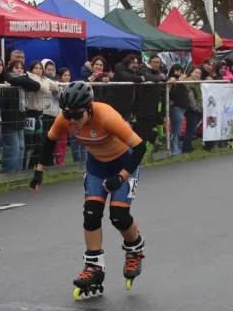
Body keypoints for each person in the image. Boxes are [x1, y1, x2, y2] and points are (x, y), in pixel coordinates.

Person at [29, 81, 147, 298]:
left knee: (119, 216)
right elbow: (49, 141)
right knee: (91, 214)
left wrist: (121, 176)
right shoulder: (64, 118)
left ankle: (135, 248)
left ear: (89, 107)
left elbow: (140, 148)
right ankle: (93, 267)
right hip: (97, 167)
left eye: (77, 115)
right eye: (68, 115)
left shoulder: (106, 117)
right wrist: (39, 172)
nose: (72, 120)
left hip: (123, 164)